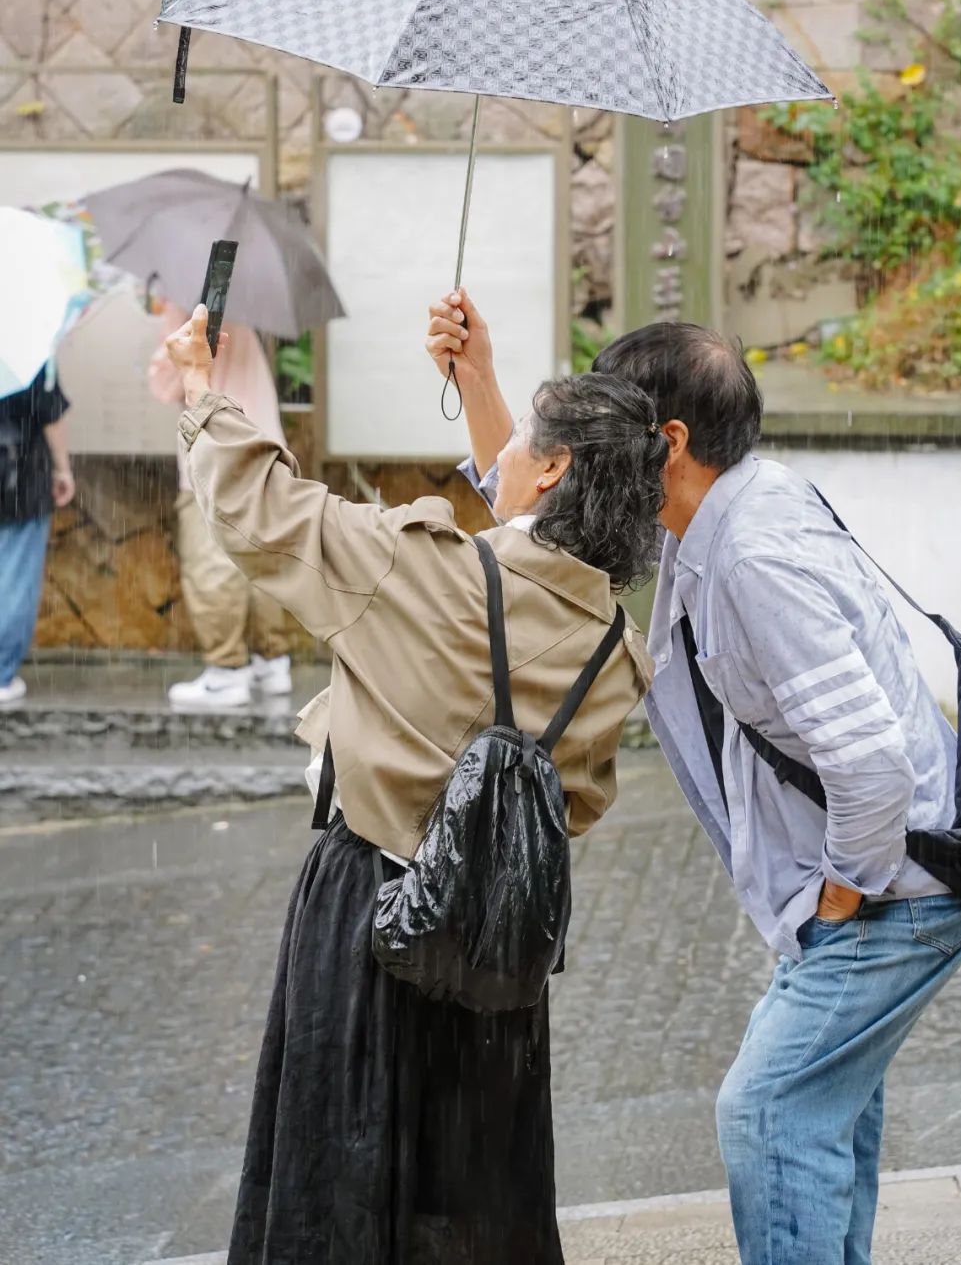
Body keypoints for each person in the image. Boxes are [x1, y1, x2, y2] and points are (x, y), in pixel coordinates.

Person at [427, 293, 961, 1265]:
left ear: (673, 438)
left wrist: (837, 903)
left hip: (901, 889)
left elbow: (870, 763)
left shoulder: (754, 554)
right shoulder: (717, 509)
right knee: (819, 1118)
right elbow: (537, 507)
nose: (593, 439)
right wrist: (477, 381)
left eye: (618, 417)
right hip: (896, 879)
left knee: (769, 1111)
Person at [164, 303, 663, 1265]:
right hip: (494, 940)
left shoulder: (414, 569)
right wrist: (480, 384)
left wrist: (199, 388)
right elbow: (531, 556)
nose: (503, 455)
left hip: (369, 908)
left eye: (523, 440)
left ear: (553, 468)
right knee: (471, 1191)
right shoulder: (615, 650)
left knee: (340, 1170)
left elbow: (263, 509)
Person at [149, 298, 292, 706]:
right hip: (262, 445)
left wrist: (165, 326)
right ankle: (272, 660)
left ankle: (227, 671)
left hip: (215, 449)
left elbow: (167, 383)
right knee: (262, 554)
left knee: (211, 559)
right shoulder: (241, 300)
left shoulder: (186, 304)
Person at [0, 365, 75, 705]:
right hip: (20, 473)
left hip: (18, 474)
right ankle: (1, 675)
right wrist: (62, 468)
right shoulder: (26, 349)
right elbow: (49, 411)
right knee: (15, 578)